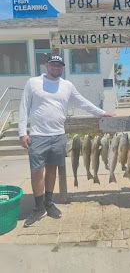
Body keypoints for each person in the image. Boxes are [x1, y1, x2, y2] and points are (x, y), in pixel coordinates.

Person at [19, 55, 113, 227]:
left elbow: (82, 102)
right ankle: (38, 207)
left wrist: (101, 112)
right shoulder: (33, 83)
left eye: (59, 65)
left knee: (52, 170)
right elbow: (24, 107)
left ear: (62, 67)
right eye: (53, 64)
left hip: (58, 135)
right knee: (36, 172)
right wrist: (22, 132)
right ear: (46, 65)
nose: (56, 67)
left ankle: (49, 202)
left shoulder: (67, 85)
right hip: (38, 135)